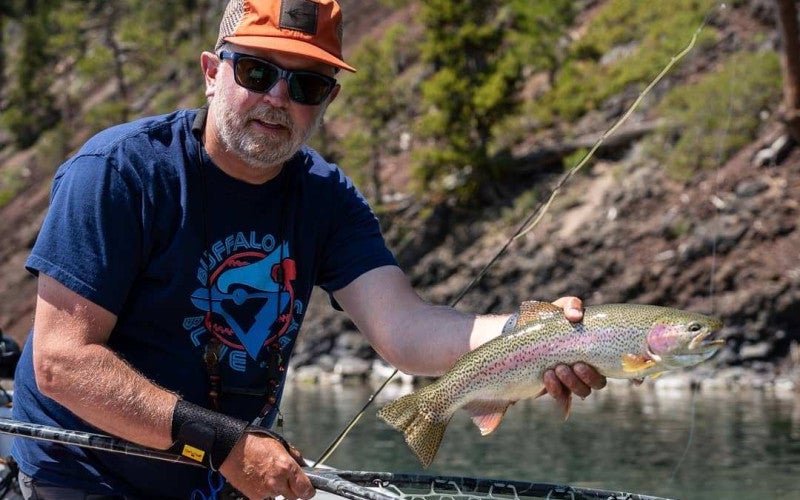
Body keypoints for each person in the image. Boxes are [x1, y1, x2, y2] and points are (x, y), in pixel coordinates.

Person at [10, 0, 607, 498]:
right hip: (86, 475)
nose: (278, 98)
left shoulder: (326, 197)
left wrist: (528, 336)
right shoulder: (120, 171)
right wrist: (224, 442)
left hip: (227, 475)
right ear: (212, 72)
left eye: (306, 84)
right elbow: (62, 362)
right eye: (256, 73)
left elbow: (405, 328)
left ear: (326, 102)